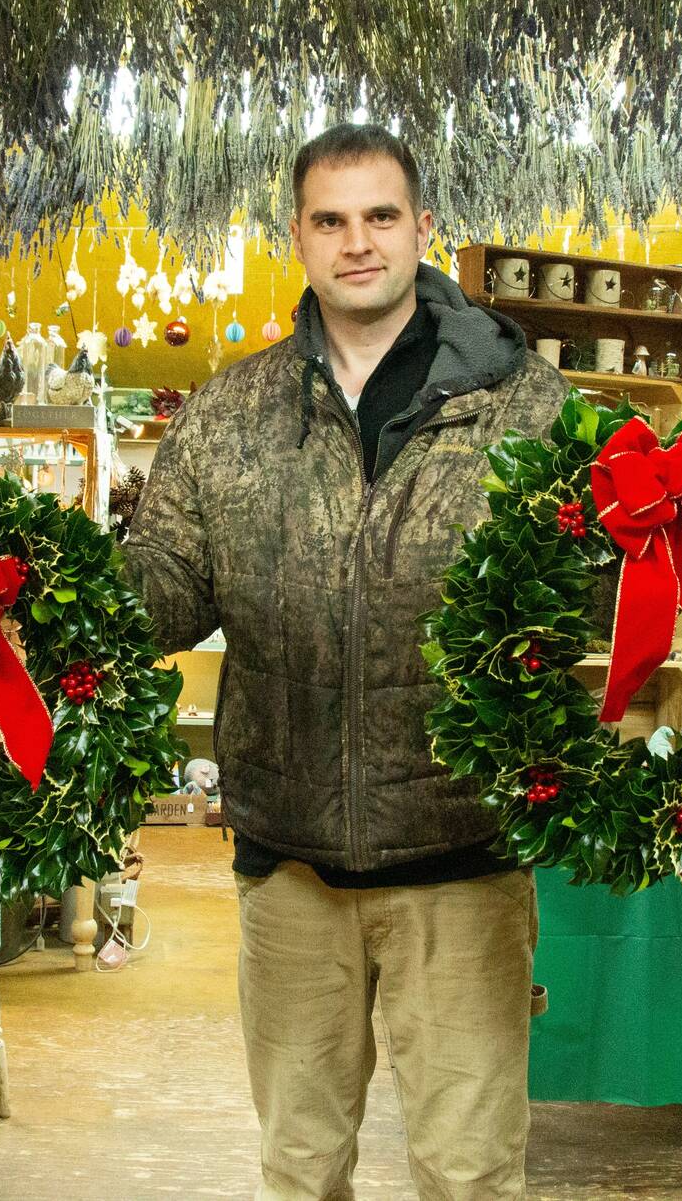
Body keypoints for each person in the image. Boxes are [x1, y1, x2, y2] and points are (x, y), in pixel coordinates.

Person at [123, 123, 569, 1200]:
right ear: (298, 238)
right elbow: (162, 593)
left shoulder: (526, 410)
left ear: (422, 230)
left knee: (467, 1174)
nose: (356, 242)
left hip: (461, 854)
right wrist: (25, 599)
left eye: (379, 217)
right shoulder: (231, 415)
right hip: (288, 865)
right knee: (299, 1166)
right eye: (330, 220)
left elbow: (591, 604)